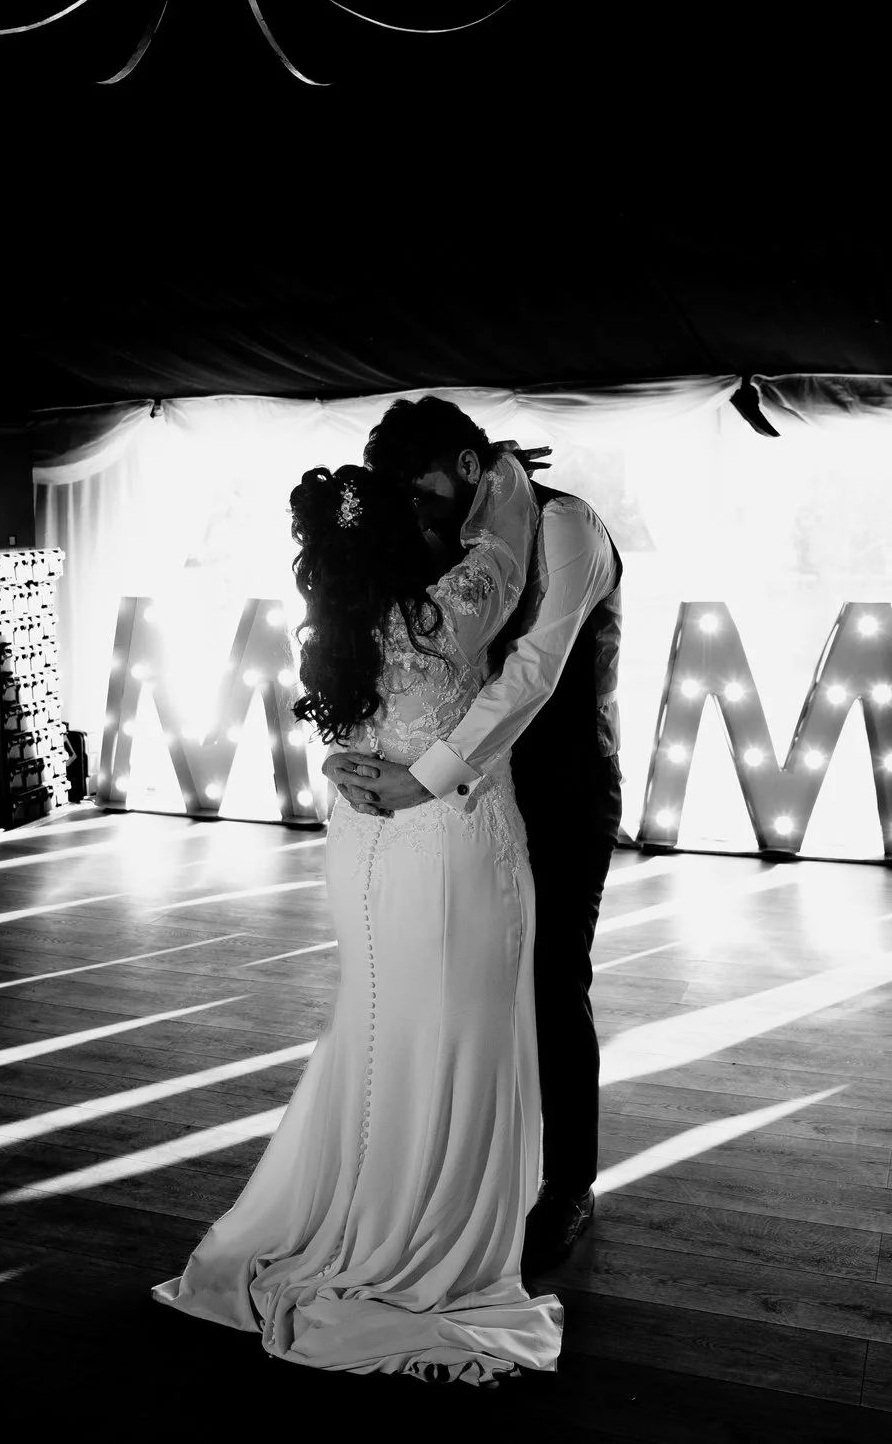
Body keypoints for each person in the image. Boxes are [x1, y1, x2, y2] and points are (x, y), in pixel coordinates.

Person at [153, 453, 560, 1384]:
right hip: (442, 840)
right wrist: (494, 468)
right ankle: (423, 1230)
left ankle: (361, 1203)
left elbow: (346, 731)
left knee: (379, 1033)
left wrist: (344, 758)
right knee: (456, 1033)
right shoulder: (444, 614)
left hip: (363, 843)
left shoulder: (336, 627)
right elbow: (503, 549)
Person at [335, 397, 625, 1275]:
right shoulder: (444, 540)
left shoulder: (565, 525)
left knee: (549, 983)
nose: (412, 504)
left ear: (468, 467)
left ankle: (567, 1183)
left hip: (565, 787)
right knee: (463, 986)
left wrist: (425, 776)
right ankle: (476, 1172)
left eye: (420, 482)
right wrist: (352, 756)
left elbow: (537, 670)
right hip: (468, 802)